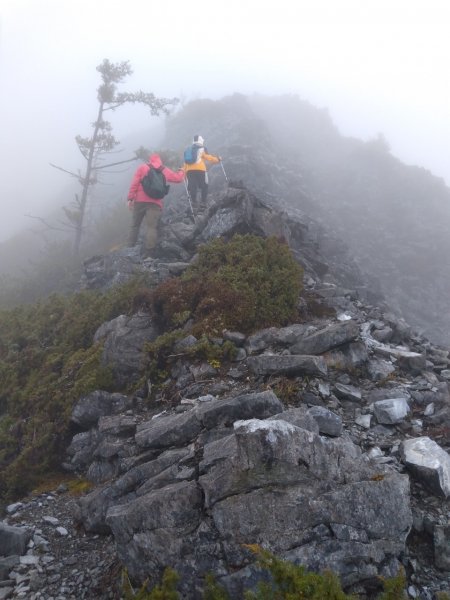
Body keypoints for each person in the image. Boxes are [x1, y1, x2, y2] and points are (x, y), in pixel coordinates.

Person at [126, 153, 184, 254]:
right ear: (159, 160)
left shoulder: (142, 168)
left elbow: (134, 183)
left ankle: (129, 249)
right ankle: (149, 253)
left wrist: (130, 198)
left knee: (135, 226)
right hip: (154, 203)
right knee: (151, 227)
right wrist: (182, 171)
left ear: (150, 160)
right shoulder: (164, 169)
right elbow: (178, 179)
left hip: (139, 201)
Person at [183, 135, 220, 209]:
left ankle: (194, 203)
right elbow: (208, 157)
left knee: (193, 187)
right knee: (204, 185)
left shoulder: (188, 150)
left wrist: (184, 172)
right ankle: (203, 202)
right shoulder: (202, 149)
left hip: (189, 171)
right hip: (201, 170)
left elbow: (185, 162)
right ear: (200, 140)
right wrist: (218, 159)